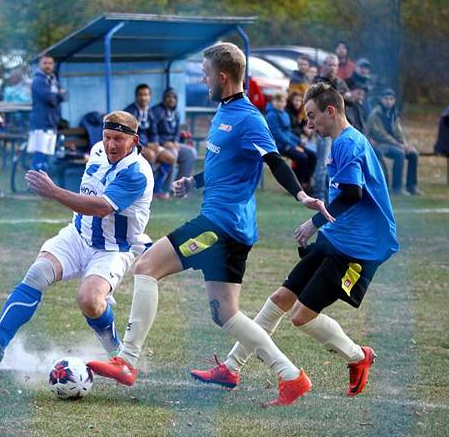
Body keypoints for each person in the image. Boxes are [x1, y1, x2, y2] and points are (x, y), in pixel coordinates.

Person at [87, 43, 332, 407]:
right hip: (231, 228)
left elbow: (274, 161)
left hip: (221, 224)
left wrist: (302, 196)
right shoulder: (224, 110)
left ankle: (128, 360)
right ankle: (291, 376)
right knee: (226, 314)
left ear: (222, 76)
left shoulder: (249, 116)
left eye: (205, 75)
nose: (202, 81)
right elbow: (228, 165)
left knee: (146, 266)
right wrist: (195, 182)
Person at [190, 82, 398, 400]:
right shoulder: (343, 141)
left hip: (361, 247)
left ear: (331, 111)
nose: (309, 124)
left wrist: (313, 223)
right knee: (279, 299)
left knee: (301, 316)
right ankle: (231, 367)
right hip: (337, 237)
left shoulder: (347, 144)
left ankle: (358, 356)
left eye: (313, 115)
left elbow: (353, 195)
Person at [0, 111, 155, 365]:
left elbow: (101, 207)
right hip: (78, 234)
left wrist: (54, 192)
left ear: (134, 140)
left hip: (113, 248)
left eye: (119, 139)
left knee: (89, 300)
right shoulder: (98, 150)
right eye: (107, 136)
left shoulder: (136, 172)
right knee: (37, 273)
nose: (111, 144)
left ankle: (116, 353)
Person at [366, 88, 421, 195]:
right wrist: (399, 145)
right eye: (386, 99)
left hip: (393, 144)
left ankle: (411, 186)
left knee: (413, 154)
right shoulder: (375, 114)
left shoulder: (393, 114)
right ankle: (397, 187)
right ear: (381, 100)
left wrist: (405, 144)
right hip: (378, 144)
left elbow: (398, 132)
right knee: (399, 154)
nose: (389, 101)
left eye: (391, 99)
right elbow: (380, 135)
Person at [312, 53, 350, 200]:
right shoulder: (318, 82)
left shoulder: (340, 83)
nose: (332, 67)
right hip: (323, 128)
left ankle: (331, 196)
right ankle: (319, 196)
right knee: (323, 163)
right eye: (329, 64)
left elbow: (346, 100)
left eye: (335, 65)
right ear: (324, 66)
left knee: (336, 164)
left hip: (339, 130)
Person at [149, 88, 197, 197]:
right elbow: (153, 132)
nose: (171, 100)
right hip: (160, 145)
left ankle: (180, 187)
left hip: (172, 144)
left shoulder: (176, 113)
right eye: (168, 97)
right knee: (173, 154)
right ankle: (166, 189)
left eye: (174, 97)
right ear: (164, 98)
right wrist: (163, 142)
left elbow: (177, 132)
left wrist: (175, 141)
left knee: (190, 153)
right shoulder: (155, 112)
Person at [265, 91, 316, 188]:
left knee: (312, 155)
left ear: (285, 102)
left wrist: (299, 142)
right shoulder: (271, 115)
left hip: (290, 143)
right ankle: (297, 184)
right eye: (278, 101)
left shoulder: (285, 113)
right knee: (303, 157)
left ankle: (306, 182)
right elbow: (278, 135)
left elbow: (288, 133)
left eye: (282, 101)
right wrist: (295, 146)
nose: (280, 104)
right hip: (279, 146)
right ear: (273, 102)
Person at [27, 54, 67, 172]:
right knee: (40, 155)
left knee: (46, 156)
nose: (48, 66)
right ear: (40, 65)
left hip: (52, 123)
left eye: (50, 63)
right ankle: (34, 184)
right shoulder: (38, 80)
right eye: (45, 63)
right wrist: (59, 94)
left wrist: (58, 95)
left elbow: (66, 96)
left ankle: (42, 185)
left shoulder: (53, 80)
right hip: (41, 123)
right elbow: (50, 98)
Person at [124, 84, 161, 165]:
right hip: (134, 145)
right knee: (151, 155)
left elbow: (154, 131)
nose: (143, 98)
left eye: (145, 95)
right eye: (140, 95)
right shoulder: (130, 112)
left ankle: (164, 178)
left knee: (169, 157)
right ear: (136, 96)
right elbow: (128, 135)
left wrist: (155, 142)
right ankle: (148, 177)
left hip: (148, 144)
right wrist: (146, 144)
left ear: (150, 96)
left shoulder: (150, 112)